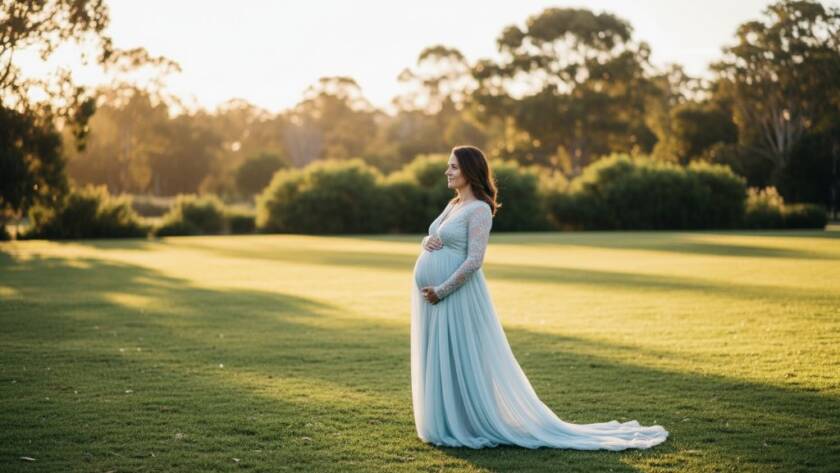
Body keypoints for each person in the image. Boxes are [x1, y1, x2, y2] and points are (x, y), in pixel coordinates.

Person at [410, 145, 669, 450]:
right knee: (441, 356)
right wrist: (428, 241)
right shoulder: (453, 204)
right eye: (448, 166)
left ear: (469, 171)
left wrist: (442, 290)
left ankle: (465, 422)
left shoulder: (479, 209)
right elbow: (433, 235)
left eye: (453, 167)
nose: (447, 172)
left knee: (460, 355)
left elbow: (475, 259)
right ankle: (448, 419)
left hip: (454, 295)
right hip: (433, 300)